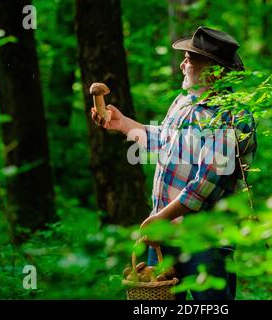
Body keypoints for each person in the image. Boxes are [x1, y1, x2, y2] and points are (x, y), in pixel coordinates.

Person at [91, 26, 257, 300]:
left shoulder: (234, 116)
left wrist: (159, 219)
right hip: (164, 236)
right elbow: (162, 141)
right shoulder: (183, 102)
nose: (182, 64)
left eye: (190, 59)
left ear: (213, 71)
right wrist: (122, 124)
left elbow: (206, 183)